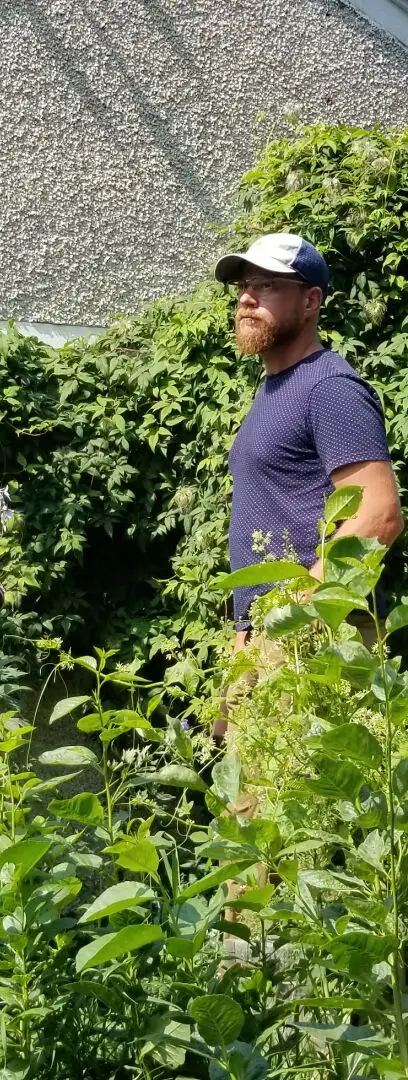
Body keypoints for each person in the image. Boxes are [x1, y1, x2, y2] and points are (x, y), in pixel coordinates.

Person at [212, 232, 402, 963]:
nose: (247, 297)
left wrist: (291, 621)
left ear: (312, 301)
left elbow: (378, 515)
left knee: (288, 829)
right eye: (243, 286)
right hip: (267, 645)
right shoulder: (275, 391)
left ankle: (295, 1018)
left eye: (267, 286)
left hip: (312, 646)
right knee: (251, 823)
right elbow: (268, 526)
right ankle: (254, 1005)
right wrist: (240, 647)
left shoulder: (330, 389)